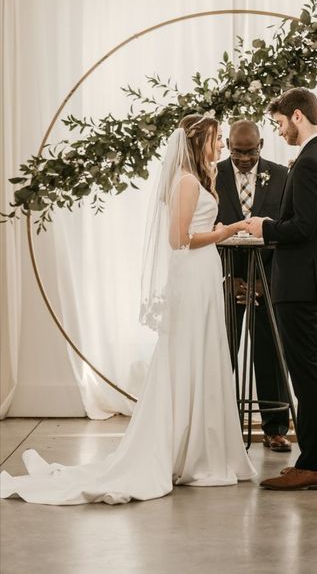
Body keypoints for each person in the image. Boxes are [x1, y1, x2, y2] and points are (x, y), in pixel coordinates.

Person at [1, 114, 256, 505]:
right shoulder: (187, 181)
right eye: (217, 139)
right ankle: (186, 448)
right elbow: (178, 239)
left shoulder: (200, 179)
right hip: (191, 274)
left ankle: (200, 448)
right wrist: (223, 232)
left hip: (205, 273)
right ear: (199, 142)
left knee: (204, 353)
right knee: (187, 354)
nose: (221, 145)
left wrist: (217, 231)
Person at [246, 88, 317, 491]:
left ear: (299, 116)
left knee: (306, 376)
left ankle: (312, 464)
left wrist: (264, 227)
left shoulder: (308, 163)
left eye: (280, 123)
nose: (279, 130)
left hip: (298, 283)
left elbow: (302, 228)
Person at [216, 120, 291, 452]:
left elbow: (287, 230)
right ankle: (220, 429)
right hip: (226, 280)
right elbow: (203, 230)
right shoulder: (212, 175)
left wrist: (263, 281)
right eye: (237, 151)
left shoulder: (281, 176)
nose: (244, 158)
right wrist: (229, 278)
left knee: (270, 355)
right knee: (222, 353)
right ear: (228, 144)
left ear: (261, 143)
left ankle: (275, 429)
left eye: (250, 151)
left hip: (268, 280)